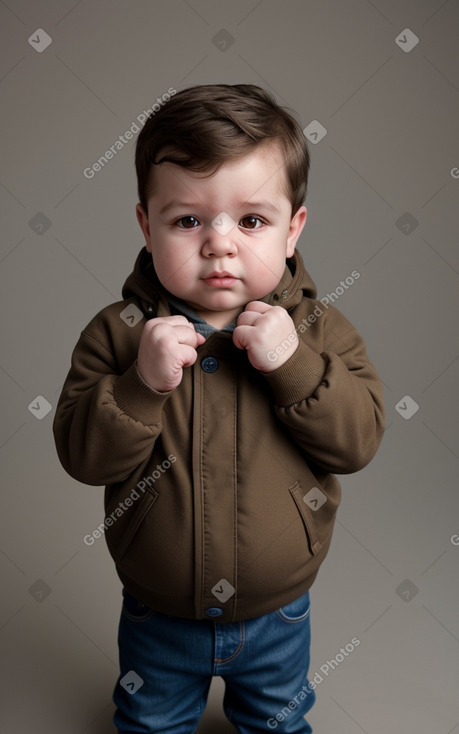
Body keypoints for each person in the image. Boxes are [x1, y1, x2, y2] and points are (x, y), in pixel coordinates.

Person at [53, 83, 385, 733]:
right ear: (147, 225)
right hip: (157, 611)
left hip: (276, 612)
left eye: (251, 220)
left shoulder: (319, 329)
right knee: (149, 722)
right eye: (188, 220)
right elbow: (81, 457)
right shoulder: (118, 333)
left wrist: (292, 365)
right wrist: (140, 385)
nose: (219, 244)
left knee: (278, 723)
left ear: (293, 230)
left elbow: (358, 441)